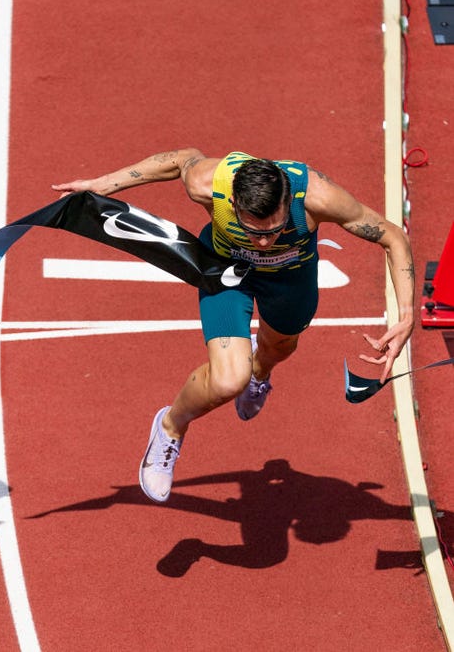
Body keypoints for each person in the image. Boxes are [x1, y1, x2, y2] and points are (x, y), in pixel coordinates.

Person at [52, 149, 414, 503]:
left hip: (291, 280)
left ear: (288, 204)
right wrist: (104, 185)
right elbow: (178, 160)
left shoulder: (320, 196)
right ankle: (170, 427)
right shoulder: (208, 182)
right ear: (234, 204)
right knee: (228, 380)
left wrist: (407, 313)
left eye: (273, 231)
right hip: (227, 274)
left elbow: (392, 236)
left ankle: (260, 372)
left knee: (280, 348)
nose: (261, 241)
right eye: (251, 230)